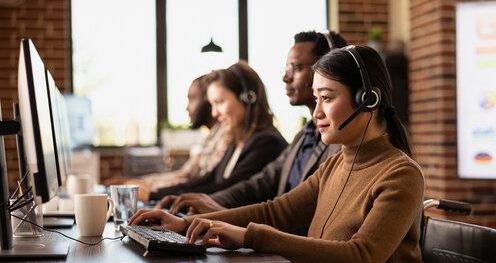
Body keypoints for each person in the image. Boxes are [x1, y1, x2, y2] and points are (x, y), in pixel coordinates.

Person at [130, 45, 428, 263]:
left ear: (368, 99)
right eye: (315, 99)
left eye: (327, 98)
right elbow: (274, 211)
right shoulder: (335, 164)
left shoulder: (401, 174)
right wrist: (188, 223)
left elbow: (358, 261)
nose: (317, 113)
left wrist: (251, 236)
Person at [157, 31, 347, 216]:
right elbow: (259, 184)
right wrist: (207, 205)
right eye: (286, 69)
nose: (285, 77)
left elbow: (294, 215)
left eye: (296, 68)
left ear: (329, 69)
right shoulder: (304, 135)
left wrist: (225, 218)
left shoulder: (339, 143)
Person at [144, 61, 288, 203]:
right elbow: (207, 179)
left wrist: (154, 196)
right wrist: (156, 193)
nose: (214, 113)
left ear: (247, 98)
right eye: (212, 105)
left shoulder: (267, 142)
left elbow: (227, 188)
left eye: (219, 102)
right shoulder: (236, 142)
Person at [103, 75, 227, 193]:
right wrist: (137, 182)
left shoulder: (225, 135)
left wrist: (140, 187)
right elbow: (183, 174)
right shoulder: (210, 137)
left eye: (192, 98)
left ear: (208, 102)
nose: (187, 107)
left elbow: (198, 182)